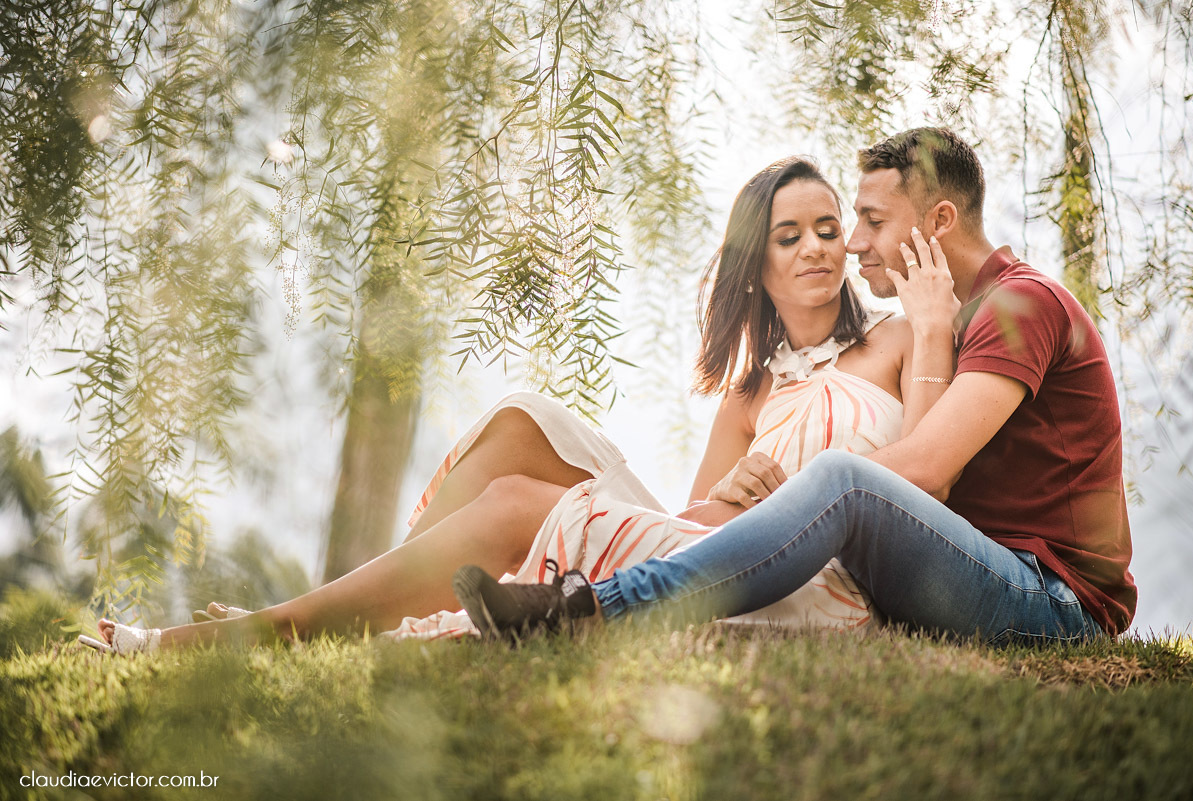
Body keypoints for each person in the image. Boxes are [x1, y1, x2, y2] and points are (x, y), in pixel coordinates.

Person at [79, 156, 957, 654]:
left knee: (511, 505)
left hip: (822, 577)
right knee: (521, 420)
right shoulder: (749, 393)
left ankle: (272, 633)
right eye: (786, 235)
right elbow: (692, 527)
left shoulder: (893, 339)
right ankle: (355, 604)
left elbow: (926, 487)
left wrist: (928, 330)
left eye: (829, 229)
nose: (813, 249)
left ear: (852, 240)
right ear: (755, 264)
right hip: (716, 552)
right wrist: (738, 497)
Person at [453, 127, 1138, 646]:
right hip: (978, 571)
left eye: (871, 220)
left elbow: (927, 468)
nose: (853, 243)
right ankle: (580, 598)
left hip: (1055, 599)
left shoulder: (1020, 305)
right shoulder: (959, 321)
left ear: (938, 223)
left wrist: (802, 498)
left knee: (840, 478)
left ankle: (593, 607)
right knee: (834, 484)